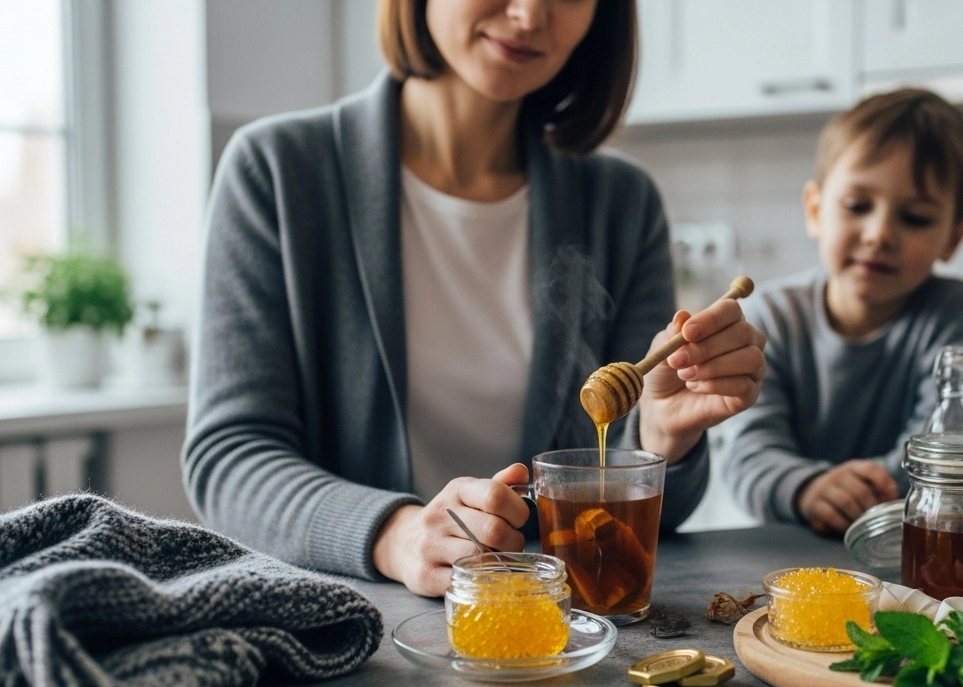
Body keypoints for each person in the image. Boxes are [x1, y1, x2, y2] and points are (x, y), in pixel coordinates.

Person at [183, 0, 767, 596]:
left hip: (551, 632)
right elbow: (230, 460)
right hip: (353, 632)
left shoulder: (620, 203)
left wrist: (659, 439)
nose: (530, 13)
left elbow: (656, 519)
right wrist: (397, 534)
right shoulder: (278, 171)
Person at [719, 88, 963, 536]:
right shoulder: (770, 317)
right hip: (786, 565)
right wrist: (809, 487)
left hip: (907, 552)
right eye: (857, 207)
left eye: (916, 218)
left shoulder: (957, 313)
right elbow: (749, 457)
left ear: (954, 236)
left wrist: (853, 492)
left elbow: (953, 455)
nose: (879, 234)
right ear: (815, 209)